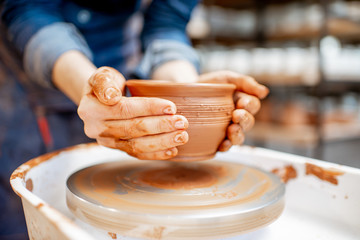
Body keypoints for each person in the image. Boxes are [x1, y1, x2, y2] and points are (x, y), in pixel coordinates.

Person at [0, 0, 269, 238]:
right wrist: (91, 87)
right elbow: (28, 9)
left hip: (121, 72)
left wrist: (185, 91)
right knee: (33, 213)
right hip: (34, 81)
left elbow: (167, 23)